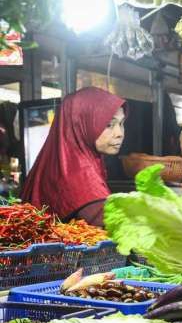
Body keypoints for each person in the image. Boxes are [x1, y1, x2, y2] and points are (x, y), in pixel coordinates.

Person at [21, 87, 126, 227]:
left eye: (121, 123)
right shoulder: (81, 176)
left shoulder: (54, 161)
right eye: (109, 124)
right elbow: (114, 228)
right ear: (80, 124)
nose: (119, 133)